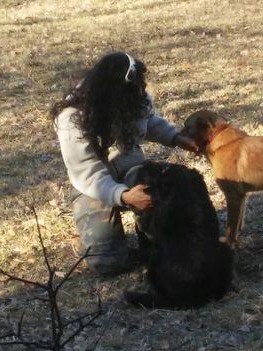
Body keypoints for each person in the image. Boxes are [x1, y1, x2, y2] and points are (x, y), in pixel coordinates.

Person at [51, 52, 199, 276]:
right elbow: (87, 173)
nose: (141, 94)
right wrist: (124, 196)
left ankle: (148, 235)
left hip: (132, 169)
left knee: (167, 240)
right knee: (108, 264)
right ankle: (101, 243)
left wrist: (176, 137)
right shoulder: (72, 118)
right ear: (114, 93)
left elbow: (148, 121)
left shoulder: (134, 96)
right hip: (93, 186)